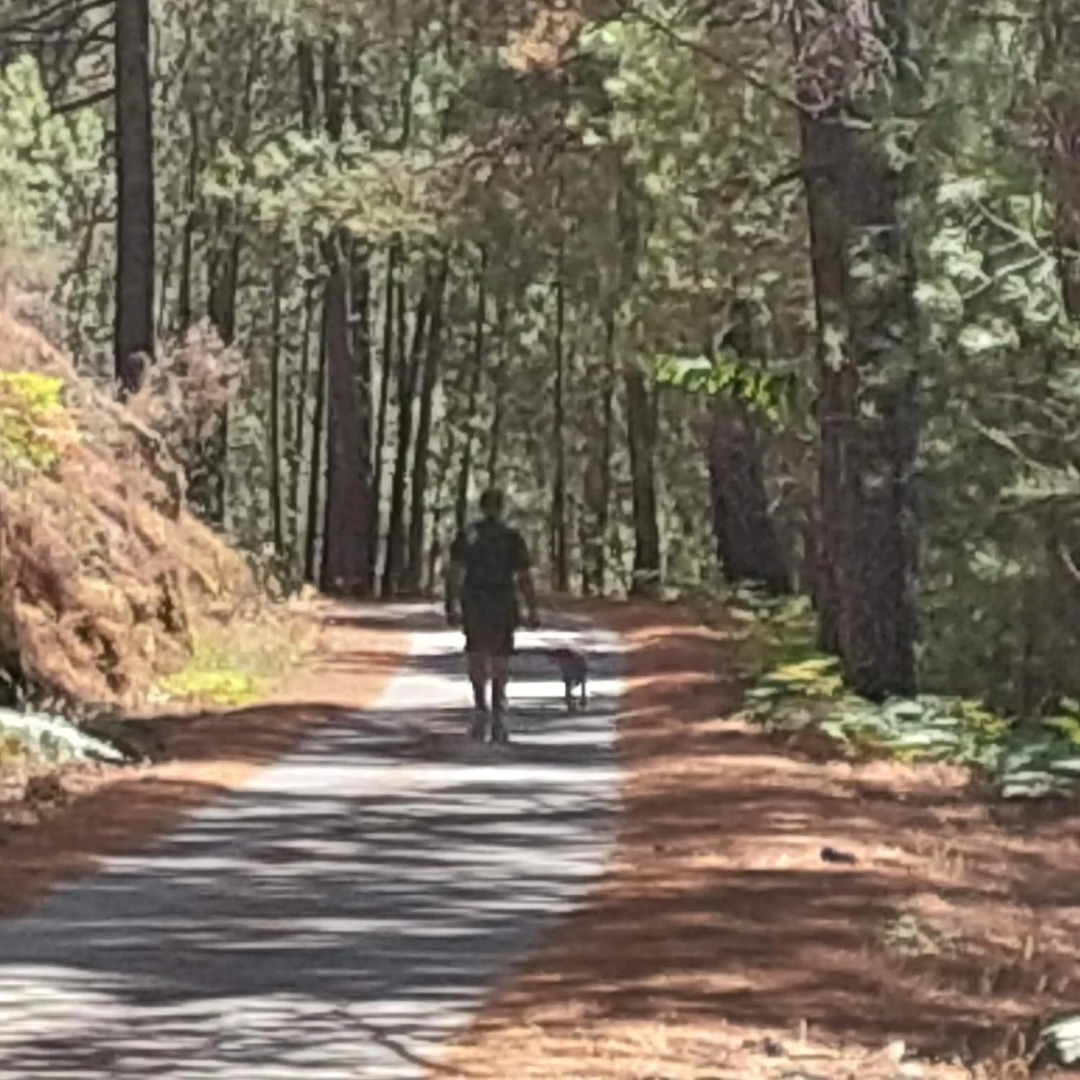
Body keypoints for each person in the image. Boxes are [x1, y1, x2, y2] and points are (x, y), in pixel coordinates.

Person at [445, 489, 539, 743]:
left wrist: (450, 604)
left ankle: (481, 705)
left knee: (476, 650)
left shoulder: (469, 535)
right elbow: (524, 576)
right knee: (500, 653)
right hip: (502, 600)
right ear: (501, 508)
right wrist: (532, 607)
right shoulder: (511, 538)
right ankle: (497, 704)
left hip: (475, 600)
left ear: (482, 507)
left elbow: (454, 572)